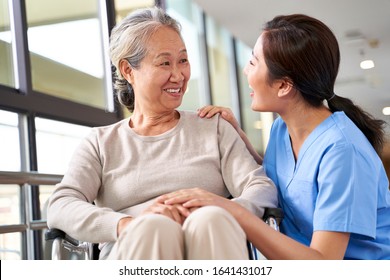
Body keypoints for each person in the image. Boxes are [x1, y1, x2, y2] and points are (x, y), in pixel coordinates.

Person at [46, 6, 278, 260]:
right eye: (165, 63)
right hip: (136, 246)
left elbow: (260, 186)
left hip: (212, 239)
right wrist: (126, 223)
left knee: (210, 218)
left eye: (183, 60)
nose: (178, 75)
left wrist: (225, 208)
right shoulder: (100, 142)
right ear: (127, 70)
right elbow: (61, 204)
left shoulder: (214, 127)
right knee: (155, 227)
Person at [158, 14, 390, 259]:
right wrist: (237, 136)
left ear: (283, 86)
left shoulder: (343, 150)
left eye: (253, 62)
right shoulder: (281, 129)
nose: (246, 70)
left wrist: (233, 210)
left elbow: (324, 264)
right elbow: (287, 179)